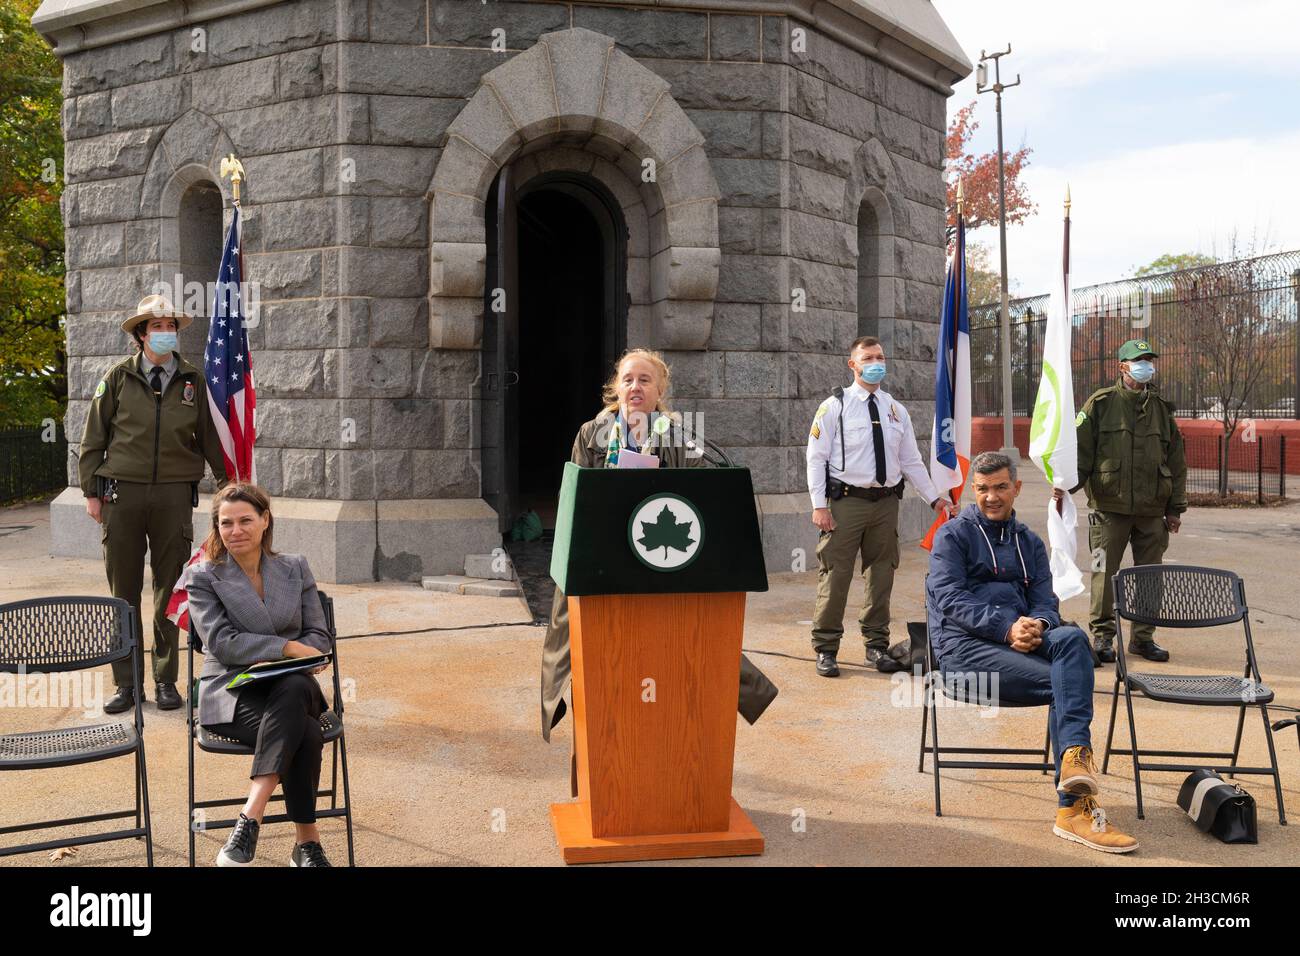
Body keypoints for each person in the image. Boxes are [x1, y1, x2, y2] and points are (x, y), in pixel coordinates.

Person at [540, 348, 778, 791]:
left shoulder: (679, 436)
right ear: (616, 387)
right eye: (628, 380)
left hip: (661, 572)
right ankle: (604, 780)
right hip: (602, 572)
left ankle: (674, 774)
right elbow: (572, 500)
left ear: (660, 390)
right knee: (604, 673)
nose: (636, 388)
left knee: (674, 662)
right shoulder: (591, 434)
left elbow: (694, 501)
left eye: (645, 380)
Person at [927, 452, 1138, 853]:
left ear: (1016, 489)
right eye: (983, 489)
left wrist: (1037, 625)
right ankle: (1074, 809)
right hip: (964, 653)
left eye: (1001, 487)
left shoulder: (1029, 542)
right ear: (973, 490)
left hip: (1025, 642)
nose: (991, 497)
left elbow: (1046, 604)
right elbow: (950, 599)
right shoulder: (952, 536)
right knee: (1069, 681)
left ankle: (1074, 762)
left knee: (1074, 640)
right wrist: (1005, 628)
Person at [79, 293, 228, 715]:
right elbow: (94, 439)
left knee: (170, 590)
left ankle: (165, 681)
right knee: (122, 593)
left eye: (171, 327)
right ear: (141, 334)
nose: (165, 334)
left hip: (173, 496)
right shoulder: (117, 378)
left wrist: (228, 487)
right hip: (121, 494)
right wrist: (91, 492)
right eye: (157, 327)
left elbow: (209, 437)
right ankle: (126, 684)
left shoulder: (193, 380)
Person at [187, 483, 335, 868]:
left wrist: (306, 653)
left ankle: (250, 816)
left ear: (265, 521)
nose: (236, 530)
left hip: (292, 686)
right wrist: (287, 648)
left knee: (295, 684)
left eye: (245, 520)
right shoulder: (203, 577)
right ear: (217, 528)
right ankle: (307, 845)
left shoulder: (294, 567)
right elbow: (222, 644)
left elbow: (318, 634)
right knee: (306, 731)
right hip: (232, 693)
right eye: (226, 523)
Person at [806, 336, 957, 677]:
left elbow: (911, 461)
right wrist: (819, 505)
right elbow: (816, 457)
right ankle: (826, 648)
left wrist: (934, 497)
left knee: (881, 574)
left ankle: (875, 645)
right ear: (853, 364)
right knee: (835, 574)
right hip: (846, 503)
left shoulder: (894, 409)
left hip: (886, 503)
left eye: (880, 357)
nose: (876, 363)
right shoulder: (835, 407)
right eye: (868, 357)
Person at [1067, 339, 1187, 664]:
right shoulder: (1100, 404)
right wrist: (1065, 487)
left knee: (1150, 577)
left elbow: (1176, 461)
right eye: (1138, 360)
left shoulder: (1161, 410)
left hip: (1151, 510)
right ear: (1122, 366)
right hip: (1109, 509)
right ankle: (1103, 637)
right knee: (1103, 573)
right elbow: (1081, 454)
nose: (1145, 365)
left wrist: (1175, 508)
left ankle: (1143, 638)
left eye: (1149, 359)